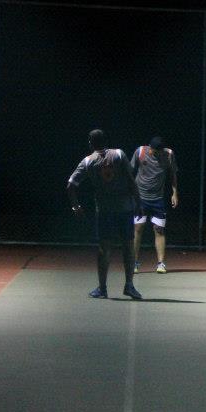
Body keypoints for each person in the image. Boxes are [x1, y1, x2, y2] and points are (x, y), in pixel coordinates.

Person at [67, 129, 143, 300]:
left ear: (90, 143)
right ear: (106, 141)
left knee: (104, 248)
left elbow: (70, 185)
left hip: (105, 210)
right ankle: (129, 286)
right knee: (128, 246)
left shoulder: (88, 161)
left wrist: (75, 206)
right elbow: (131, 180)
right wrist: (139, 203)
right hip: (125, 208)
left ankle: (102, 288)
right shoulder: (119, 154)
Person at [130, 136, 178, 274]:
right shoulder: (140, 151)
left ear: (161, 150)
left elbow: (173, 174)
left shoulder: (169, 155)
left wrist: (175, 193)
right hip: (140, 198)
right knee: (138, 228)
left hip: (158, 199)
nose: (152, 152)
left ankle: (161, 264)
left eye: (155, 151)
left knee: (159, 230)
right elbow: (130, 171)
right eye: (151, 149)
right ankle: (134, 262)